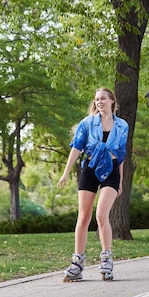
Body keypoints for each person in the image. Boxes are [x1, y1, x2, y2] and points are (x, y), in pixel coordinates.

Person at [57, 87, 129, 282]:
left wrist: (120, 180)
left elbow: (121, 154)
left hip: (111, 170)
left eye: (103, 99)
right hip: (90, 169)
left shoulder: (122, 126)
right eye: (97, 99)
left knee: (101, 214)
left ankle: (106, 259)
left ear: (112, 101)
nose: (99, 102)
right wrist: (65, 173)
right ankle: (77, 263)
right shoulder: (87, 123)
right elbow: (76, 148)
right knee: (83, 216)